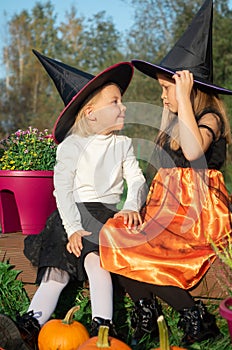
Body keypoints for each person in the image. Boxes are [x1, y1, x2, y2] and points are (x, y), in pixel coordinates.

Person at [99, 0, 232, 346]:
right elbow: (157, 162)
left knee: (150, 251)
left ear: (188, 88)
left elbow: (193, 151)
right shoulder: (176, 120)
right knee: (117, 236)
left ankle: (196, 317)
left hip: (198, 216)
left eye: (166, 89)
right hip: (167, 210)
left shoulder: (209, 120)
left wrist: (185, 97)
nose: (162, 96)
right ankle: (146, 312)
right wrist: (166, 114)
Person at [0, 51, 146, 350]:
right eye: (115, 102)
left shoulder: (124, 144)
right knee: (56, 271)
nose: (124, 107)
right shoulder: (71, 146)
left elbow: (137, 179)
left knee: (97, 264)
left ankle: (102, 327)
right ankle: (32, 323)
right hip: (69, 215)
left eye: (121, 101)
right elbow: (62, 189)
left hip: (104, 215)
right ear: (91, 112)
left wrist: (131, 205)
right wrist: (72, 227)